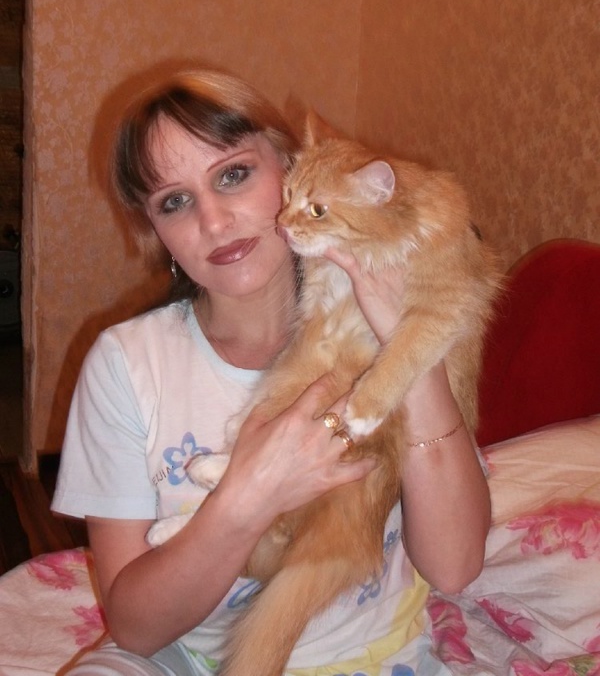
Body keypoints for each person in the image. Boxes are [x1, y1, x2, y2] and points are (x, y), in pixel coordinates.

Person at [52, 68, 491, 676]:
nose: (214, 222)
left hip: (376, 655)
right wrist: (250, 496)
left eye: (233, 175)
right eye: (175, 202)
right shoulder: (124, 363)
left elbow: (455, 566)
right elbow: (135, 629)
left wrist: (407, 349)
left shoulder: (403, 301)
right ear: (156, 232)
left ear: (290, 166)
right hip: (185, 657)